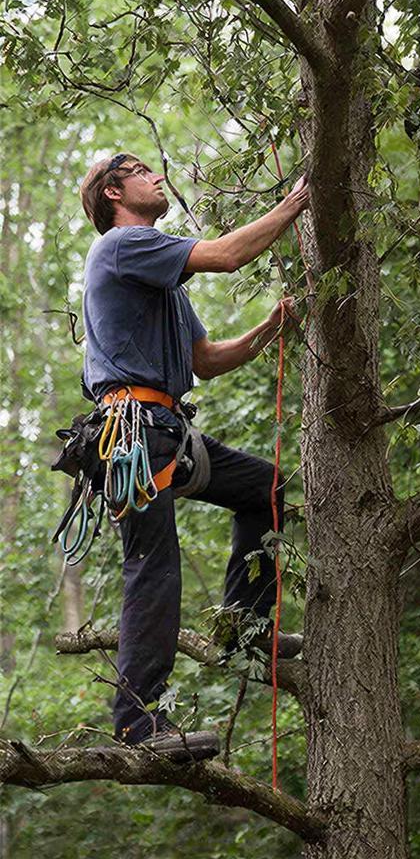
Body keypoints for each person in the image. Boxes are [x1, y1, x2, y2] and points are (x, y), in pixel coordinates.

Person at [78, 152, 309, 751]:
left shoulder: (163, 280)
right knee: (153, 567)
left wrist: (269, 328)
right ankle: (136, 722)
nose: (158, 176)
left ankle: (244, 627)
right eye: (141, 171)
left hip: (166, 429)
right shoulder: (123, 247)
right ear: (113, 193)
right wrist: (294, 205)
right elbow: (227, 256)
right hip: (131, 432)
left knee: (267, 488)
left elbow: (206, 360)